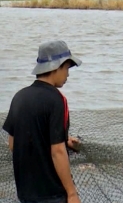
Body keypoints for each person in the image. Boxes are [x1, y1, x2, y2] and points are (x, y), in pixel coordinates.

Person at [2, 40, 82, 203]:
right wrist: (72, 193)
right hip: (52, 193)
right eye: (67, 68)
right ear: (57, 67)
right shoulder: (57, 100)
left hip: (25, 192)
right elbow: (57, 151)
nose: (68, 74)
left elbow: (13, 143)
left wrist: (64, 141)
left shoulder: (20, 97)